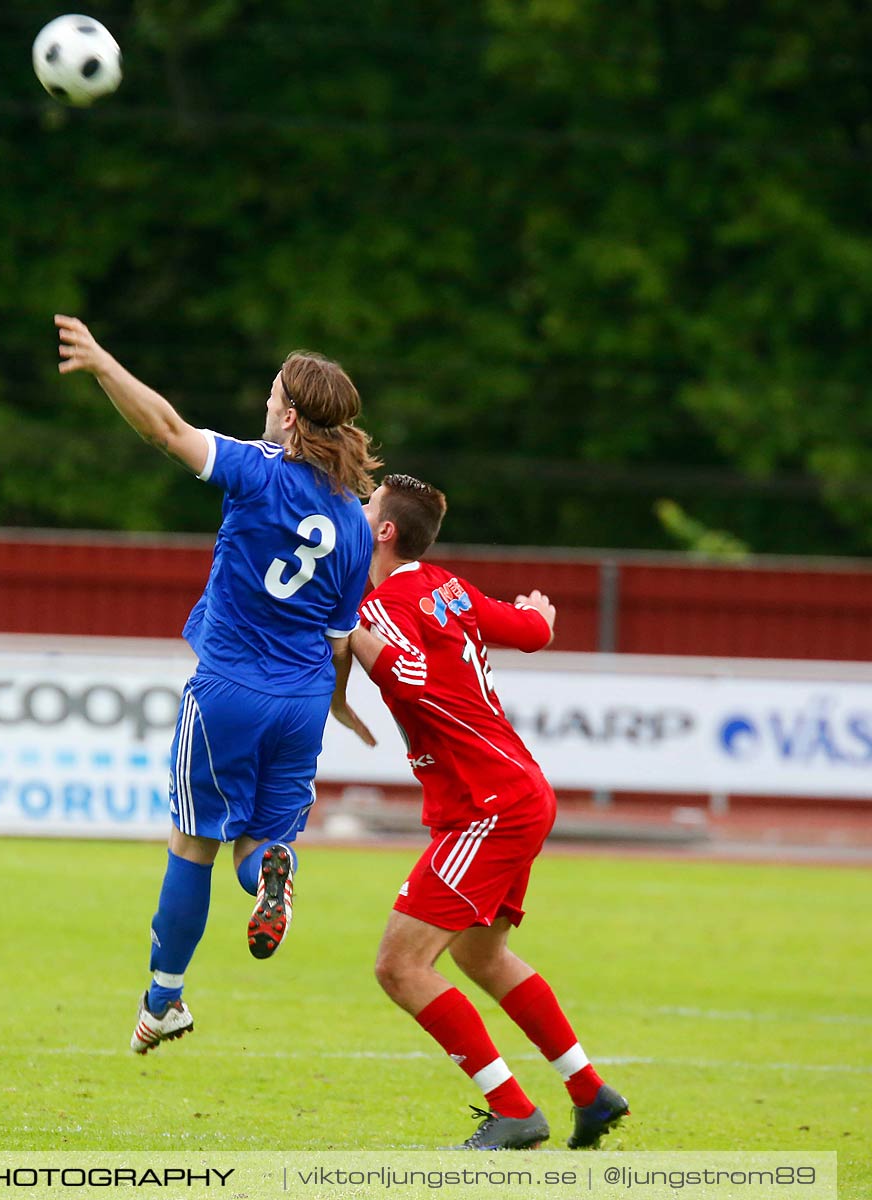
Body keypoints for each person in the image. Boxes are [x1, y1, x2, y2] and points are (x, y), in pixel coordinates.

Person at [55, 314, 379, 1055]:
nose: (265, 404)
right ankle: (275, 869)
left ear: (290, 416)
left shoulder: (260, 469)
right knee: (257, 842)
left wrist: (105, 363)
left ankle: (164, 998)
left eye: (272, 395)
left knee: (193, 843)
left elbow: (165, 430)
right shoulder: (356, 524)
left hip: (230, 687)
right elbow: (338, 642)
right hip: (300, 702)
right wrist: (338, 707)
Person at [346, 474, 628, 1150]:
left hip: (488, 805)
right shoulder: (447, 586)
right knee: (481, 953)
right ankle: (591, 1094)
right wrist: (542, 614)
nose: (355, 510)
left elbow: (408, 677)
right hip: (516, 790)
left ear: (384, 531)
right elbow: (530, 632)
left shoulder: (382, 604)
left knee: (400, 966)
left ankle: (513, 1111)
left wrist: (350, 627)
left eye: (367, 505)